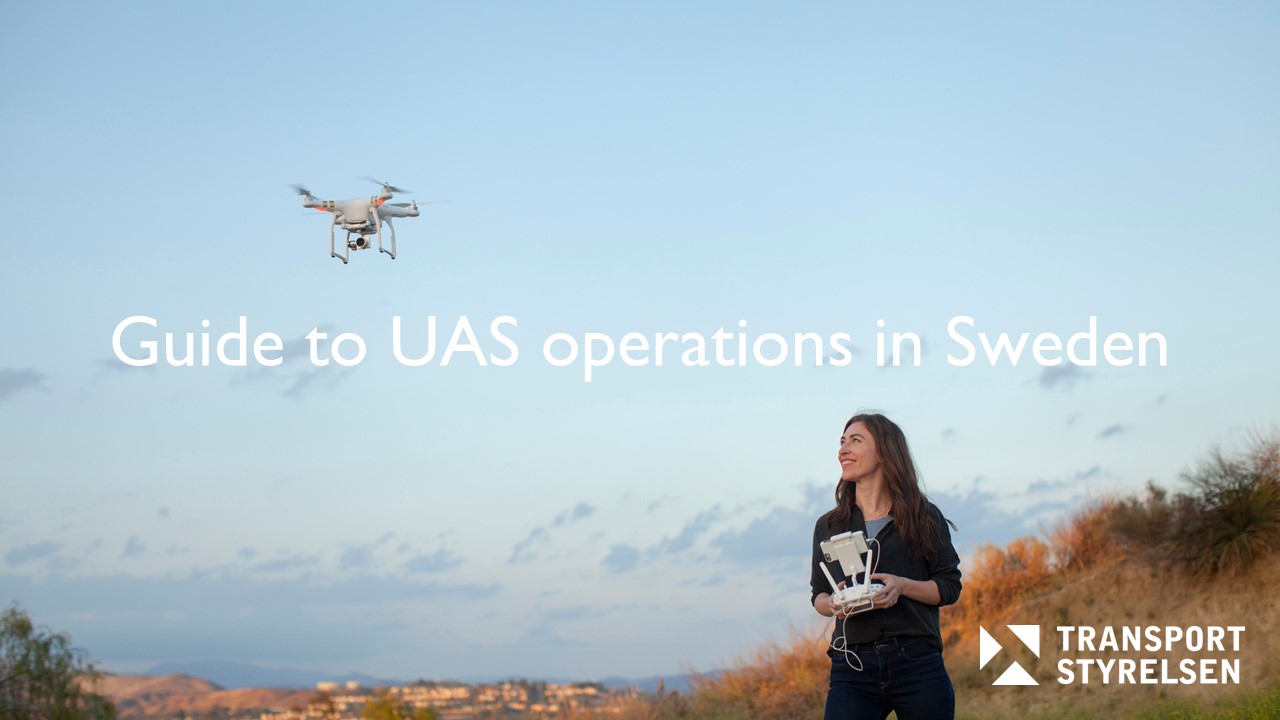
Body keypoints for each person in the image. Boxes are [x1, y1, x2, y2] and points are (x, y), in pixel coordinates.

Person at [810, 413, 962, 720]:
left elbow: (949, 586)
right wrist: (834, 603)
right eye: (842, 442)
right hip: (852, 665)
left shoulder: (923, 516)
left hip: (917, 662)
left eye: (855, 440)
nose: (843, 449)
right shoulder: (829, 525)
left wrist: (903, 586)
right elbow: (819, 596)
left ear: (884, 452)